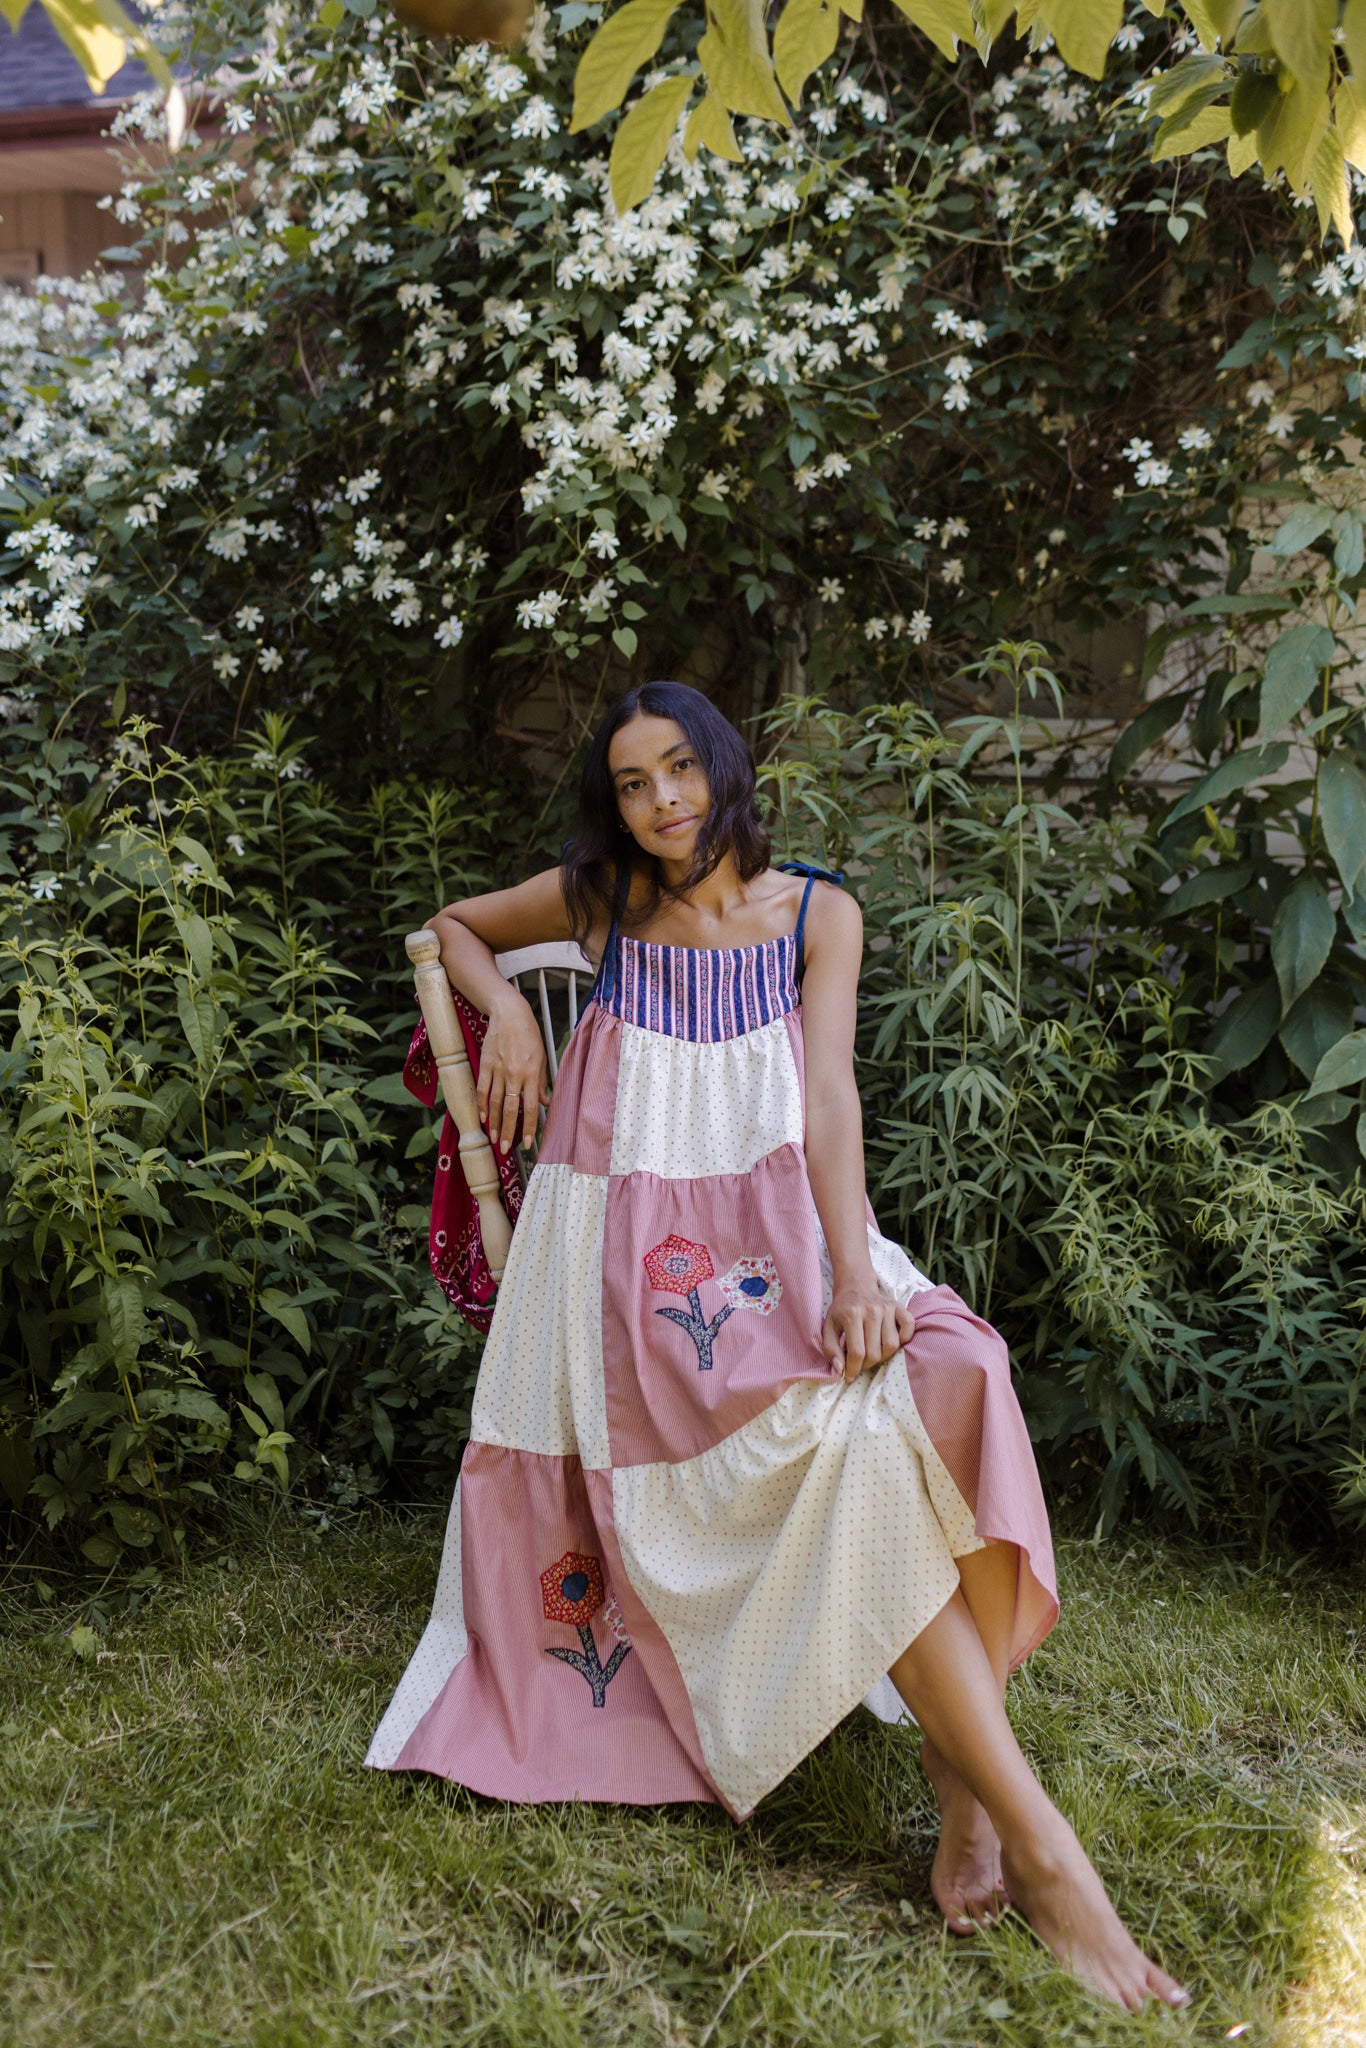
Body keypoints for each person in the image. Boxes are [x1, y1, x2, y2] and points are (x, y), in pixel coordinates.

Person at [366, 680, 1187, 2012]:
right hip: (632, 1273)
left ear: (726, 769)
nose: (661, 804)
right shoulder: (604, 903)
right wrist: (506, 1010)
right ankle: (1040, 1851)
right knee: (848, 1443)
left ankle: (953, 1767)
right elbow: (451, 929)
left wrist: (855, 1269)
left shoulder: (817, 912)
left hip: (784, 1230)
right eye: (631, 784)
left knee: (958, 1370)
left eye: (679, 770)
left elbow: (825, 1094)